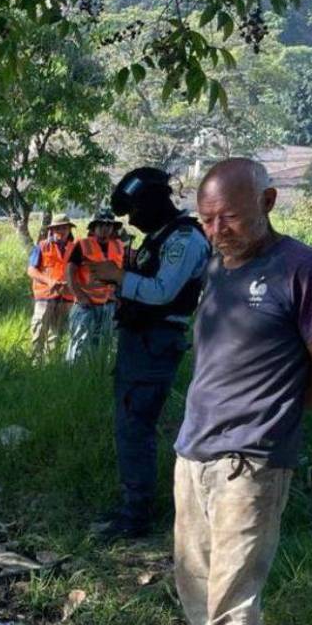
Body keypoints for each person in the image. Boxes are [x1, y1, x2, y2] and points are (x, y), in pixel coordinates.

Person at [150, 158, 312, 625]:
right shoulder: (216, 267)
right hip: (195, 450)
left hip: (252, 460)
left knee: (233, 592)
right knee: (194, 581)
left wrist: (275, 419)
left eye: (229, 216)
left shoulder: (302, 270)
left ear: (268, 199)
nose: (217, 229)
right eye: (208, 219)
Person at [87, 168, 211, 540]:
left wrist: (119, 276)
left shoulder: (185, 239)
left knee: (135, 426)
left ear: (155, 201)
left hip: (155, 342)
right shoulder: (160, 237)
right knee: (129, 423)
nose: (131, 220)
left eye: (134, 210)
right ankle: (133, 505)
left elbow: (162, 291)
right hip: (139, 341)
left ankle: (136, 515)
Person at [65, 209, 124, 363]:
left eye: (109, 225)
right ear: (94, 227)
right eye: (101, 225)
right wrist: (79, 295)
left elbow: (122, 273)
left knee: (106, 344)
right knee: (79, 343)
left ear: (113, 228)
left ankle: (97, 376)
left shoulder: (119, 246)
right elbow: (69, 271)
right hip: (86, 305)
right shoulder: (83, 245)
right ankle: (73, 375)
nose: (105, 229)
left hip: (109, 304)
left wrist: (120, 296)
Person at [26, 217, 76, 360]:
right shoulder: (42, 246)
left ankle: (51, 367)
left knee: (57, 335)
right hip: (44, 296)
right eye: (58, 228)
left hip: (66, 297)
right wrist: (49, 281)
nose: (61, 231)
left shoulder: (74, 248)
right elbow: (31, 271)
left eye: (64, 228)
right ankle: (35, 365)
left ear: (69, 229)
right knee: (39, 331)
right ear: (52, 230)